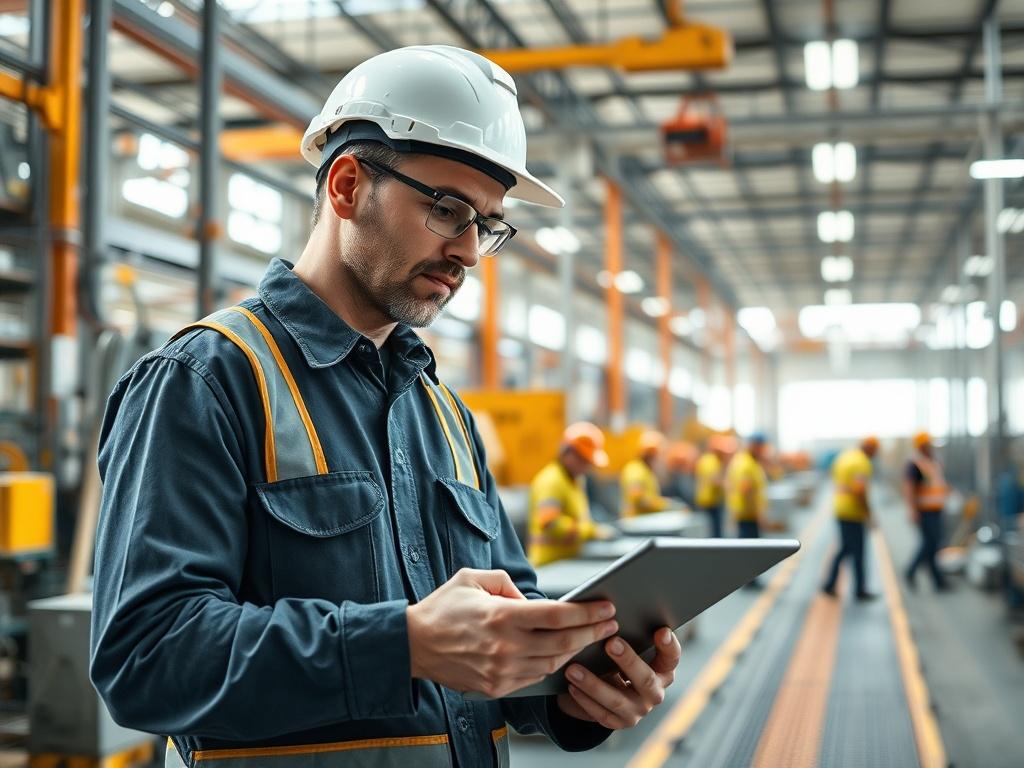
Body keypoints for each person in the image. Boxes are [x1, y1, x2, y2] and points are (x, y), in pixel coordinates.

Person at [89, 46, 681, 768]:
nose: (467, 250)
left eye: (487, 225)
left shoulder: (448, 418)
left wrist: (577, 688)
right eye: (447, 209)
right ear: (346, 186)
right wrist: (401, 644)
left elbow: (503, 632)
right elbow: (145, 657)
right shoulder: (205, 381)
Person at [528, 423, 616, 567]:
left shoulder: (574, 481)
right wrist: (591, 531)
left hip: (566, 562)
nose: (586, 467)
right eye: (583, 461)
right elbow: (551, 523)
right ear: (568, 453)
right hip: (549, 566)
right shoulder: (552, 481)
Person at [822, 436, 880, 600]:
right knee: (858, 551)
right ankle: (859, 589)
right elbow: (860, 491)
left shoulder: (845, 457)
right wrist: (869, 513)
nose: (875, 455)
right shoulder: (861, 463)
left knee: (846, 548)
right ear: (869, 448)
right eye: (875, 450)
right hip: (853, 512)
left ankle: (830, 583)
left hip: (841, 508)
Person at [903, 431, 951, 591]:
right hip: (924, 511)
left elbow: (937, 483)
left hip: (936, 509)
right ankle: (911, 571)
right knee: (930, 543)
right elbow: (909, 488)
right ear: (921, 445)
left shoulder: (933, 461)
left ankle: (937, 580)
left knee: (932, 544)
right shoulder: (915, 463)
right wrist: (912, 510)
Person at [726, 433, 769, 585]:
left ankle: (747, 579)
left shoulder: (742, 461)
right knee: (750, 550)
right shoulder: (747, 464)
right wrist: (758, 514)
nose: (763, 450)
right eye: (761, 447)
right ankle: (747, 580)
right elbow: (746, 491)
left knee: (747, 549)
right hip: (748, 514)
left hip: (743, 512)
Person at [620, 430, 674, 518]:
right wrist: (665, 505)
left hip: (645, 521)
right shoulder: (635, 470)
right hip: (636, 523)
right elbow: (638, 500)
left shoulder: (645, 470)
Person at [694, 435, 732, 539]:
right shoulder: (712, 461)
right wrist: (728, 485)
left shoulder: (705, 459)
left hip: (706, 500)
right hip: (712, 502)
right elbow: (715, 481)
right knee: (715, 533)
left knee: (709, 531)